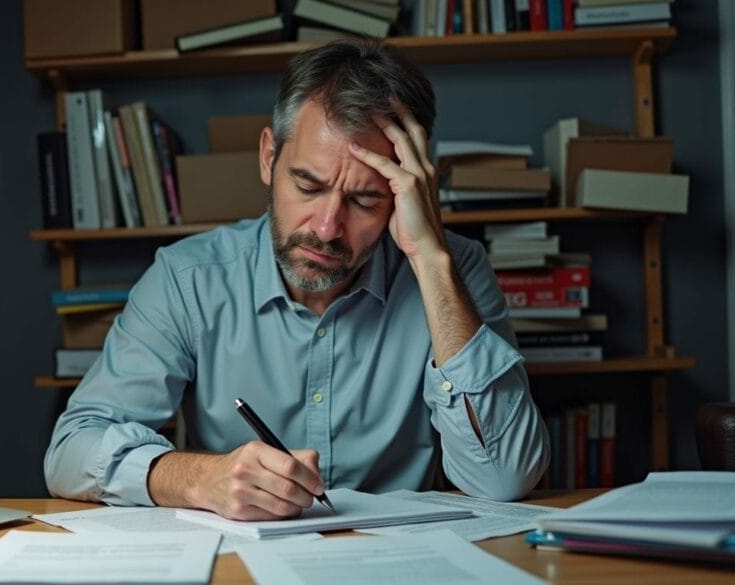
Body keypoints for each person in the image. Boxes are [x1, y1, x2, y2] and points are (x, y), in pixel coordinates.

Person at [45, 39, 549, 520]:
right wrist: (201, 478)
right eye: (307, 185)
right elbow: (72, 450)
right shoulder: (187, 278)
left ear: (407, 191)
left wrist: (432, 260)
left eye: (366, 199)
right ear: (269, 157)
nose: (327, 228)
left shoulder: (452, 271)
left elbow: (504, 478)